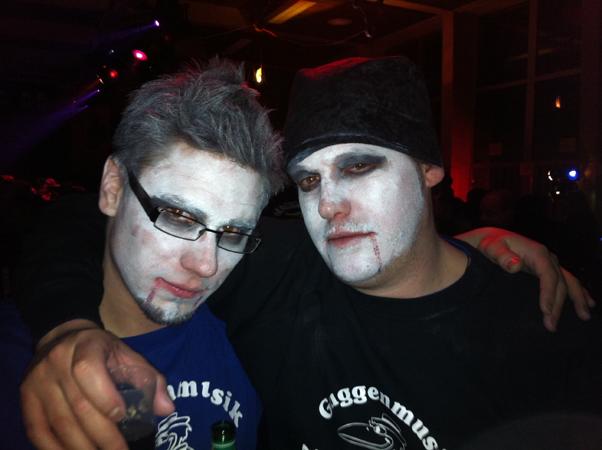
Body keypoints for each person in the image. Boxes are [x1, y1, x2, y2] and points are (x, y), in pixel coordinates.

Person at [17, 56, 598, 450]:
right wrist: (66, 329)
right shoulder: (272, 269)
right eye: (309, 180)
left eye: (359, 166)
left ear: (428, 170)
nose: (329, 205)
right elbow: (92, 219)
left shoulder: (546, 327)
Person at [10, 59, 291, 449]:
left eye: (233, 233)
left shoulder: (254, 350)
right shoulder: (15, 359)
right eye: (178, 217)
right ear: (113, 188)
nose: (206, 265)